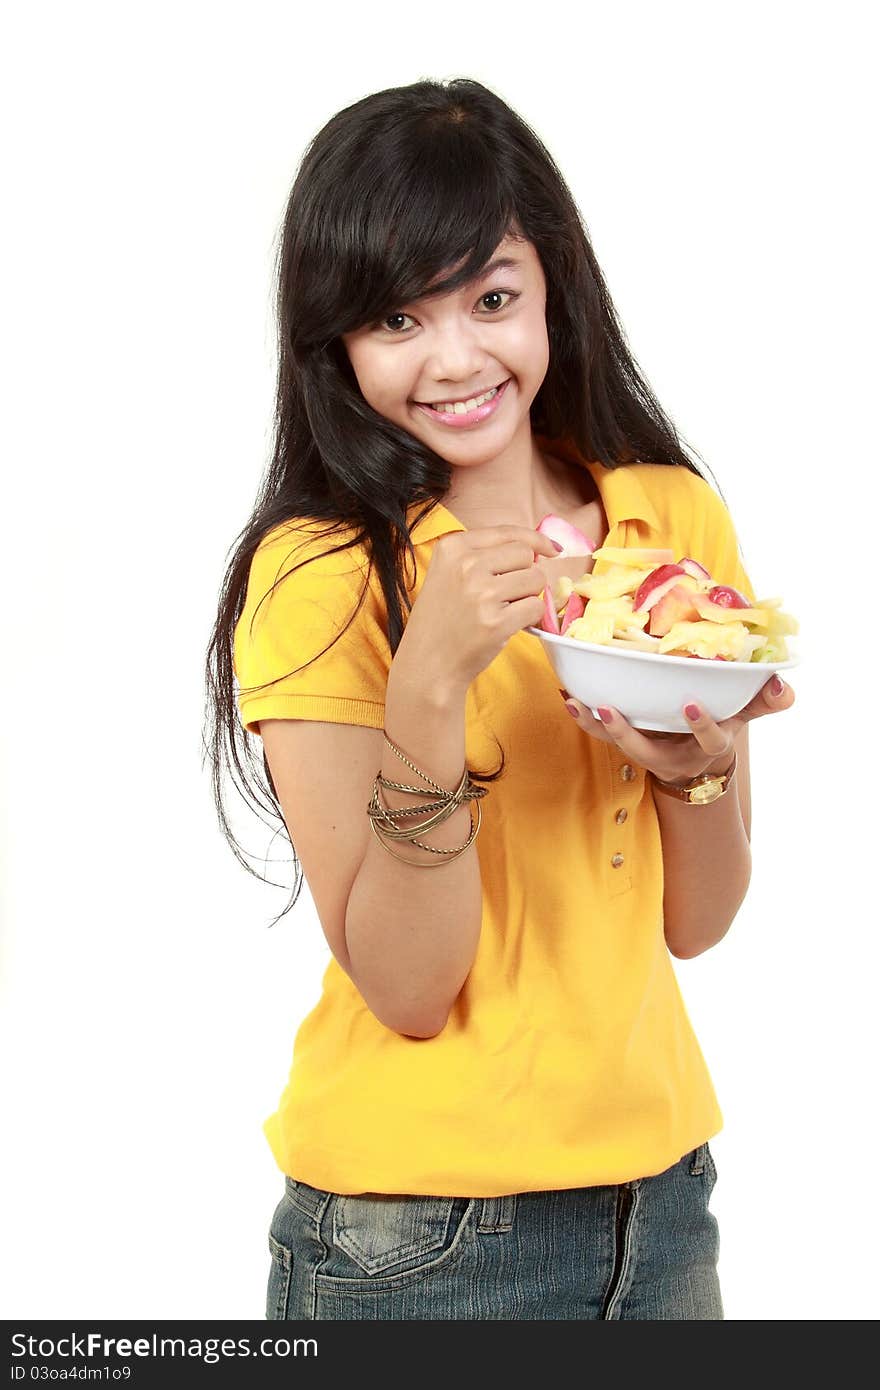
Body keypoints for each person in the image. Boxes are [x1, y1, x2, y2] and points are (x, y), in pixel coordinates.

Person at [203, 77, 795, 1321]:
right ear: (335, 342)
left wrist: (697, 760)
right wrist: (427, 689)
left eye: (492, 299)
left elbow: (702, 920)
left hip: (664, 1199)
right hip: (413, 1235)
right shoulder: (319, 574)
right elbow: (409, 991)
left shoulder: (666, 526)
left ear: (552, 291)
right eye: (396, 319)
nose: (458, 358)